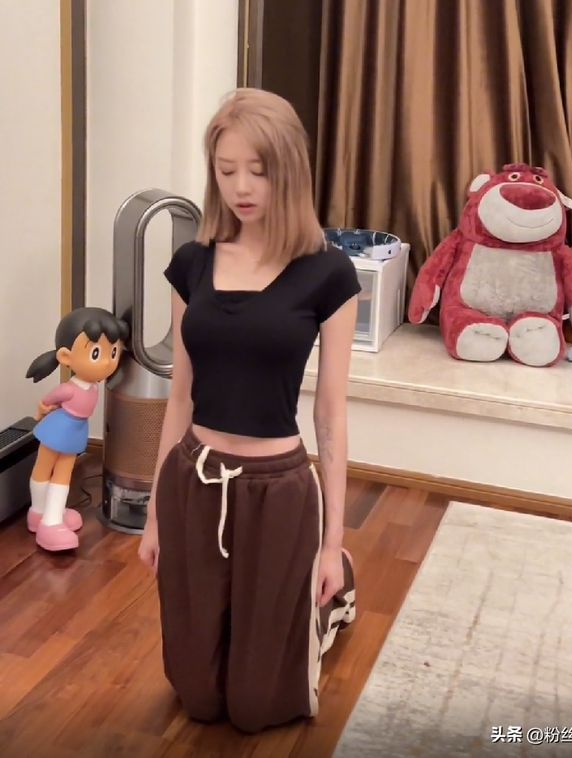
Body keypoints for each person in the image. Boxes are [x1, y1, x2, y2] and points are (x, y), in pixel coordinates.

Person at [138, 88, 360, 733]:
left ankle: (334, 593)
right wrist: (154, 514)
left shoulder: (328, 274)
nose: (241, 187)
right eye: (226, 169)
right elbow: (180, 395)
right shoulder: (193, 264)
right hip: (194, 480)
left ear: (287, 170)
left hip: (279, 490)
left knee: (257, 708)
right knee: (198, 698)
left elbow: (331, 416)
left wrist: (331, 545)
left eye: (258, 171)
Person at [25, 307, 128, 551]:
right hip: (57, 430)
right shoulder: (70, 388)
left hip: (74, 432)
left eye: (113, 352)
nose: (107, 361)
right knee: (46, 469)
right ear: (65, 357)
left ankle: (49, 514)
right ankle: (45, 518)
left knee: (62, 473)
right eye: (96, 353)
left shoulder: (92, 386)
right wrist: (43, 409)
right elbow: (48, 401)